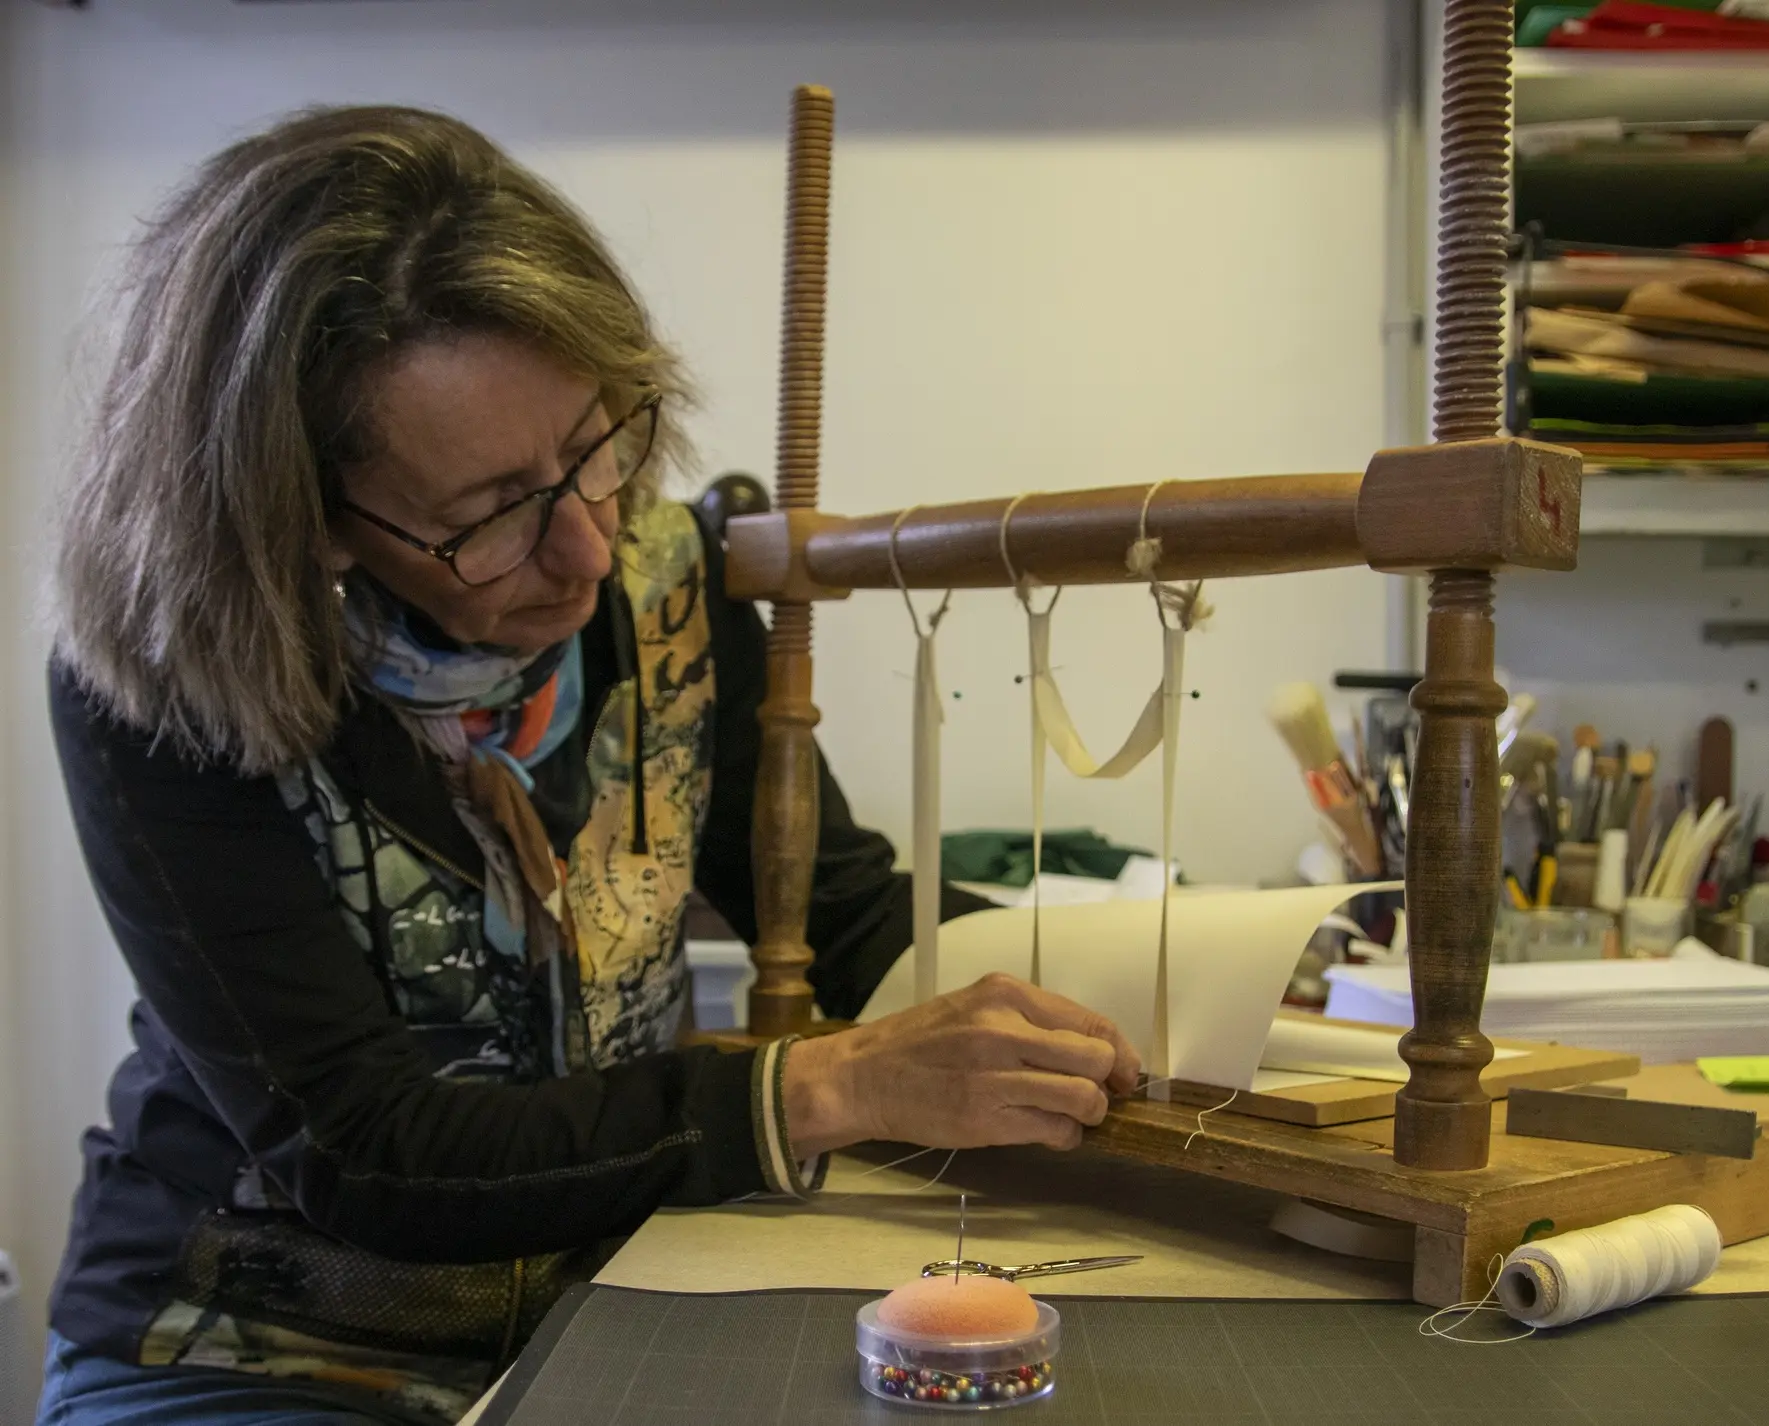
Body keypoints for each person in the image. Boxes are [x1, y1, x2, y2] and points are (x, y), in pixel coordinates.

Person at [35, 105, 1138, 1426]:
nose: (591, 550)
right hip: (256, 1345)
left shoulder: (673, 574)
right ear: (310, 520)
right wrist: (822, 1082)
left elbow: (842, 908)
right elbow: (363, 1144)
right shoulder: (166, 683)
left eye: (596, 447)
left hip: (612, 1296)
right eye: (491, 515)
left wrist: (1128, 1001)